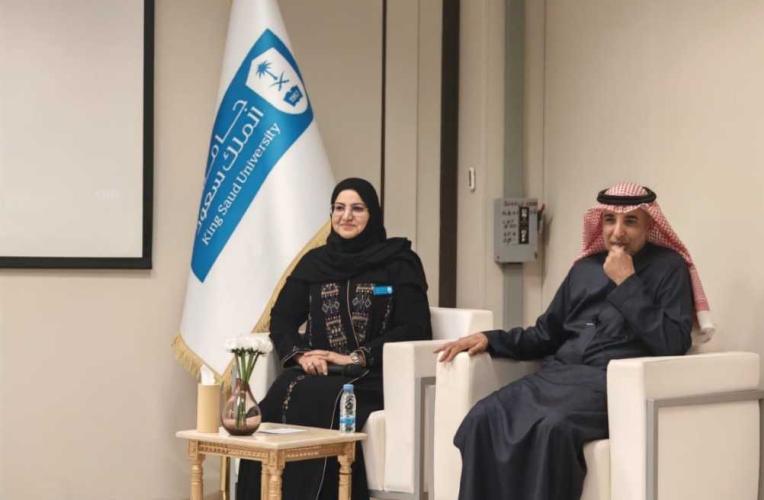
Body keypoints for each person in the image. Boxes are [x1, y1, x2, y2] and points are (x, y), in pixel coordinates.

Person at [435, 182, 713, 500]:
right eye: (609, 220)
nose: (618, 232)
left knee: (553, 429)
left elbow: (672, 343)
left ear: (649, 225)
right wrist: (490, 339)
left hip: (609, 385)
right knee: (483, 417)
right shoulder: (584, 269)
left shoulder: (669, 268)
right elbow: (545, 334)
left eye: (630, 221)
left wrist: (627, 282)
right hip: (556, 377)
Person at [237, 178, 432, 500]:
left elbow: (415, 327)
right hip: (315, 370)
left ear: (373, 214)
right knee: (274, 401)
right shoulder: (315, 262)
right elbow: (282, 317)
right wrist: (301, 355)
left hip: (371, 374)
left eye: (357, 208)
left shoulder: (399, 263)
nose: (346, 216)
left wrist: (355, 357)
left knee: (327, 399)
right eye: (339, 208)